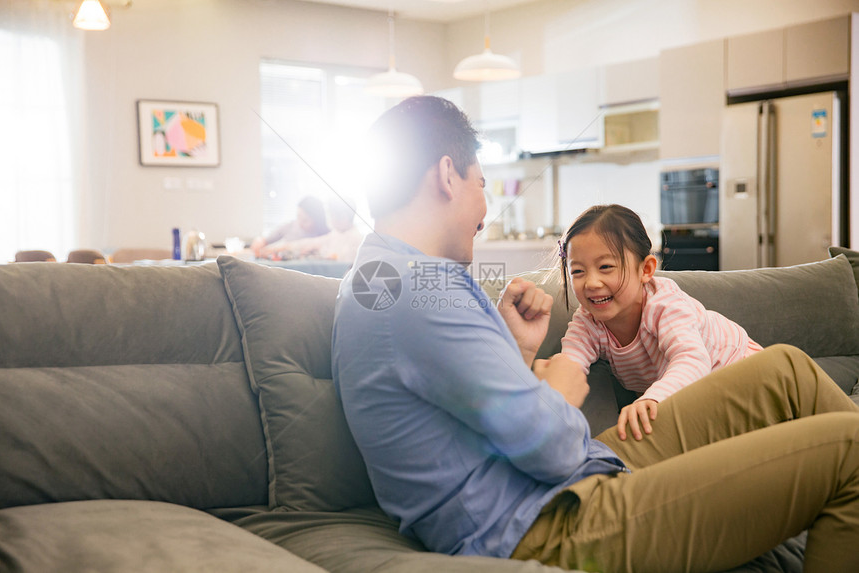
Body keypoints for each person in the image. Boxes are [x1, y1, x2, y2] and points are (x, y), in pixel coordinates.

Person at [331, 95, 859, 572]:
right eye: (482, 185)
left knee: (785, 370)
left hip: (568, 482)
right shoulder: (418, 293)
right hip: (548, 523)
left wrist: (516, 351)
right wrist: (560, 382)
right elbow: (555, 446)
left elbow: (473, 416)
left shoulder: (388, 279)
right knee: (849, 449)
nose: (485, 212)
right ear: (447, 175)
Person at [558, 204, 763, 441]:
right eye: (578, 271)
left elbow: (692, 360)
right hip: (692, 393)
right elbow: (570, 364)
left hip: (740, 368)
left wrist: (651, 398)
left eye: (605, 267)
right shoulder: (588, 321)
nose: (592, 283)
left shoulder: (664, 305)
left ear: (645, 269)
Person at [261, 198, 363, 263]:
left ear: (345, 216)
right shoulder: (336, 233)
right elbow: (310, 243)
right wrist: (282, 247)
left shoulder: (356, 239)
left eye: (333, 215)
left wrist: (319, 254)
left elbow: (340, 260)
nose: (331, 220)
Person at [250, 195, 329, 258]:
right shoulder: (290, 226)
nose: (300, 223)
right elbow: (265, 239)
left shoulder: (325, 237)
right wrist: (259, 241)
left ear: (318, 220)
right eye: (298, 216)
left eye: (305, 220)